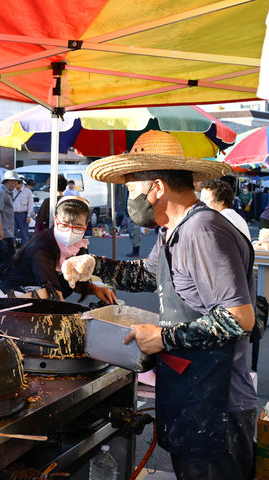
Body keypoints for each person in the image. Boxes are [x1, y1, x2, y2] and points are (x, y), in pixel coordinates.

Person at [65, 130, 255, 480]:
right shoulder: (172, 230)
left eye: (131, 189)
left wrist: (163, 338)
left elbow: (239, 319)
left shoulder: (204, 231)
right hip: (191, 389)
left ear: (156, 187)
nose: (129, 199)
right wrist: (95, 265)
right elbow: (149, 276)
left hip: (217, 404)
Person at [0, 196, 116, 303]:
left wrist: (96, 289)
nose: (70, 232)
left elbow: (75, 281)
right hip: (15, 301)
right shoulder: (41, 249)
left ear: (86, 225)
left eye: (77, 227)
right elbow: (54, 295)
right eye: (64, 225)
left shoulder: (79, 245)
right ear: (55, 219)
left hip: (42, 303)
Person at [0, 170, 21, 282]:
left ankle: (0, 279)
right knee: (9, 257)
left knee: (3, 258)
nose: (13, 184)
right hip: (2, 232)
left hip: (7, 230)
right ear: (5, 182)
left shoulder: (8, 192)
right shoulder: (1, 193)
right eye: (10, 182)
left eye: (15, 182)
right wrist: (0, 230)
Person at [12, 178, 34, 246]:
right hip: (13, 214)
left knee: (24, 234)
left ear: (21, 183)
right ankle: (12, 247)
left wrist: (28, 216)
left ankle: (24, 249)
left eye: (17, 184)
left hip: (23, 215)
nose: (16, 186)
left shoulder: (28, 192)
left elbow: (30, 205)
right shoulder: (12, 191)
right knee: (12, 233)